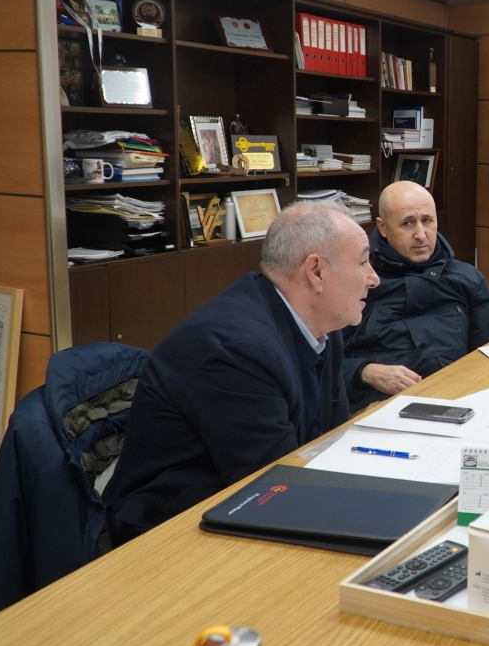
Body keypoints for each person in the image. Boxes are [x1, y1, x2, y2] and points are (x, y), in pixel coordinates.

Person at [103, 202, 379, 544]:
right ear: (316, 272)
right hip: (169, 531)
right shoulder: (239, 351)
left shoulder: (325, 327)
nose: (373, 278)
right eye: (363, 261)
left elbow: (330, 443)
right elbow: (273, 490)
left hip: (246, 502)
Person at [341, 181, 489, 410]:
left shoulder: (466, 277)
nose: (420, 234)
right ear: (383, 227)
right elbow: (319, 364)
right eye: (407, 223)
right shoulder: (357, 280)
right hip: (380, 403)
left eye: (427, 221)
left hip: (459, 396)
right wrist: (364, 371)